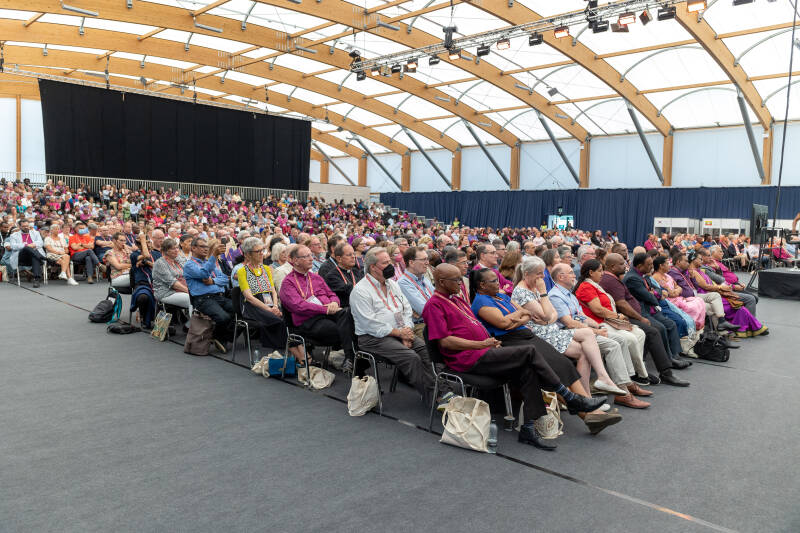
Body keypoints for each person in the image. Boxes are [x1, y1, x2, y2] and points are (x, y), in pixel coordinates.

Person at [423, 263, 609, 449]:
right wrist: (481, 344)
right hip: (467, 359)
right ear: (441, 282)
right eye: (456, 279)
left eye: (459, 278)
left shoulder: (456, 299)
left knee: (528, 369)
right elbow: (445, 342)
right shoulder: (434, 305)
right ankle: (569, 397)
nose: (460, 282)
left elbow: (485, 324)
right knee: (529, 351)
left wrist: (488, 341)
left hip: (486, 349)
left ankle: (528, 428)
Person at [507, 258, 627, 396]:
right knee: (587, 339)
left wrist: (548, 318)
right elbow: (547, 315)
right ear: (527, 274)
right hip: (541, 335)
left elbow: (553, 315)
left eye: (542, 273)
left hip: (551, 330)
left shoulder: (533, 288)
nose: (542, 277)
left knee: (585, 348)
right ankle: (595, 387)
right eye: (538, 273)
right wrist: (544, 294)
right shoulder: (522, 291)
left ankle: (591, 392)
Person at [548, 263, 651, 408]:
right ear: (560, 277)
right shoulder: (555, 295)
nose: (574, 275)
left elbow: (582, 316)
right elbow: (569, 323)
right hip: (569, 334)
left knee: (621, 340)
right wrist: (595, 331)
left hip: (583, 331)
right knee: (612, 345)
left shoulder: (568, 293)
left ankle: (626, 383)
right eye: (570, 272)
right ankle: (623, 393)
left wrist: (598, 326)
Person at [351, 247, 435, 403]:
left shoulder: (392, 284)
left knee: (426, 350)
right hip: (373, 338)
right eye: (385, 263)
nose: (390, 266)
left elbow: (406, 309)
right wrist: (400, 334)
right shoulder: (360, 291)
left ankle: (440, 390)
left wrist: (406, 331)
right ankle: (433, 396)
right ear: (373, 267)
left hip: (400, 331)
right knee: (411, 357)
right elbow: (370, 324)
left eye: (389, 262)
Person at [596, 254, 690, 386]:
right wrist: (640, 318)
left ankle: (642, 369)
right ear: (612, 267)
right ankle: (664, 373)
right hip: (623, 317)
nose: (626, 265)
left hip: (634, 314)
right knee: (653, 331)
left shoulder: (615, 278)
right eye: (622, 264)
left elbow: (654, 291)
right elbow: (622, 304)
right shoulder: (611, 280)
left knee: (656, 328)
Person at [279, 245, 356, 368]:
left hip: (329, 314)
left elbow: (332, 294)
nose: (311, 259)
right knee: (346, 328)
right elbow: (299, 306)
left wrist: (334, 303)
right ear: (296, 261)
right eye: (306, 256)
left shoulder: (316, 277)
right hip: (309, 321)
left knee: (349, 314)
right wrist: (325, 309)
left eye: (311, 255)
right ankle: (352, 358)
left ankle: (350, 358)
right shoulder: (288, 282)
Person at [236, 237, 306, 364]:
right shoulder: (242, 271)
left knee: (290, 318)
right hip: (253, 306)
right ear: (248, 254)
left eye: (262, 250)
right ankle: (300, 357)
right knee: (280, 321)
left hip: (270, 303)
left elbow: (273, 290)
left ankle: (301, 353)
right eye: (258, 251)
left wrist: (275, 306)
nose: (261, 254)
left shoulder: (266, 269)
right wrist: (270, 310)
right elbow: (249, 297)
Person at [686, 249, 767, 338]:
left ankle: (751, 327)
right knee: (743, 305)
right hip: (711, 293)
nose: (702, 261)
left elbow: (716, 281)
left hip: (719, 291)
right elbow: (708, 285)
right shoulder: (696, 271)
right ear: (694, 260)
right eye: (700, 259)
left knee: (744, 303)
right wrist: (725, 287)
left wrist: (718, 269)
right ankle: (751, 327)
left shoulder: (701, 269)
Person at [624, 253, 687, 361]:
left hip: (651, 309)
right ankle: (668, 359)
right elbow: (649, 297)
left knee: (671, 324)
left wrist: (655, 293)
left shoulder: (645, 275)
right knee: (661, 328)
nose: (652, 267)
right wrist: (655, 294)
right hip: (642, 311)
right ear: (639, 266)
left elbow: (658, 289)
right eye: (649, 264)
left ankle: (675, 355)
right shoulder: (632, 278)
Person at [183, 236, 233, 353]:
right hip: (203, 299)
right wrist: (213, 256)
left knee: (239, 310)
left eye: (206, 246)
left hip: (218, 296)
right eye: (202, 246)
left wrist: (213, 281)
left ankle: (219, 336)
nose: (206, 249)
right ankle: (220, 337)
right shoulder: (189, 265)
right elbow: (203, 274)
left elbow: (225, 279)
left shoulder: (208, 263)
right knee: (224, 317)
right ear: (193, 248)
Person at [651, 255, 705, 331]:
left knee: (699, 301)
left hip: (677, 298)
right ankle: (691, 329)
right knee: (693, 307)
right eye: (667, 263)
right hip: (670, 301)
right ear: (661, 266)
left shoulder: (667, 275)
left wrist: (676, 291)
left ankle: (697, 328)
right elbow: (670, 293)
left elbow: (678, 287)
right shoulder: (656, 277)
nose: (669, 265)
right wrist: (676, 291)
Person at [397, 245, 434, 337]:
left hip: (434, 320)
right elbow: (424, 310)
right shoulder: (403, 283)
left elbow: (439, 299)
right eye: (424, 260)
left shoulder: (424, 279)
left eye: (427, 259)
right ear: (411, 263)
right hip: (422, 325)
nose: (427, 263)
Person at [152, 238, 192, 315]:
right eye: (173, 249)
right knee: (191, 299)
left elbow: (189, 271)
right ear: (166, 251)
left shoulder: (177, 259)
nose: (177, 250)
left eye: (177, 248)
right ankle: (192, 322)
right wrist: (189, 291)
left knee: (201, 295)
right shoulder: (160, 263)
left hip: (180, 289)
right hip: (166, 292)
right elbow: (173, 283)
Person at [318, 242, 362, 308]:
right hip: (345, 309)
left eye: (354, 254)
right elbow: (348, 291)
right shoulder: (332, 276)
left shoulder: (356, 271)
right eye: (349, 255)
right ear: (339, 259)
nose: (353, 257)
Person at [129, 231, 157, 330]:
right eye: (145, 243)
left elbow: (159, 266)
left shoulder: (156, 254)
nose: (148, 244)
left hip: (157, 283)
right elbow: (146, 255)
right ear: (139, 245)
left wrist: (147, 263)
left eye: (148, 242)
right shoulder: (134, 255)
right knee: (143, 297)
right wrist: (142, 239)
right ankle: (144, 318)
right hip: (142, 284)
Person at [5, 219, 45, 287]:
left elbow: (41, 243)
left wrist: (33, 245)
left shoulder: (35, 233)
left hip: (34, 256)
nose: (26, 227)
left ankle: (36, 280)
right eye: (23, 226)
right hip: (21, 257)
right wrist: (26, 245)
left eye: (27, 226)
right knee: (26, 248)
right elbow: (13, 246)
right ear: (19, 226)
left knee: (34, 257)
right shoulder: (14, 235)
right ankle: (42, 257)